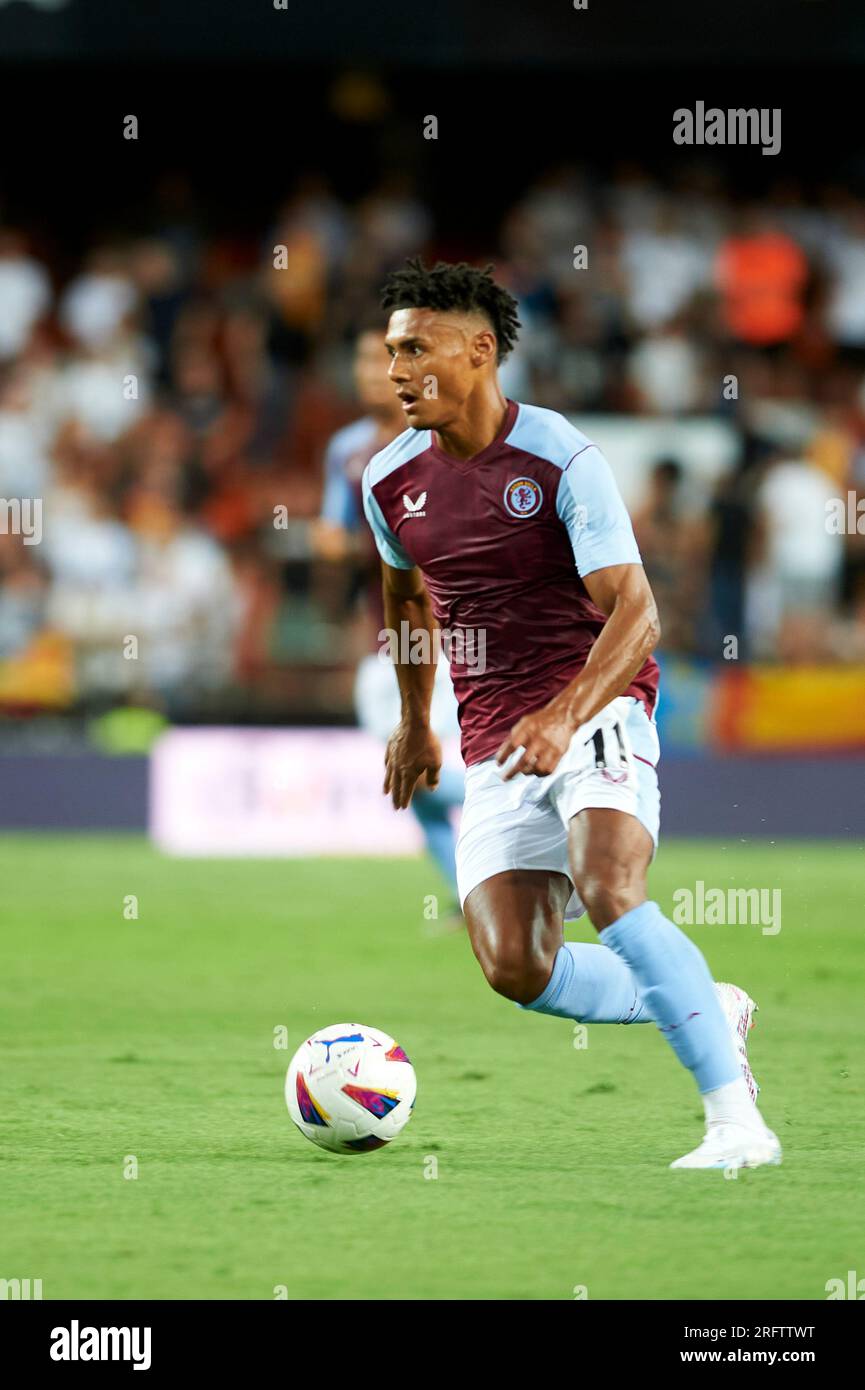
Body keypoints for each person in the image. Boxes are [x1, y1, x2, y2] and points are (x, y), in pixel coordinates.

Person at [362, 258, 780, 1170]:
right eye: (391, 351)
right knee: (516, 966)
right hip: (495, 738)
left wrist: (563, 714)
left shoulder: (558, 458)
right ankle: (711, 998)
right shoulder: (389, 480)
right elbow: (403, 602)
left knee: (608, 885)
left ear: (479, 350)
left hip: (597, 703)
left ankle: (735, 1125)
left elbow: (637, 614)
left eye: (414, 349)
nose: (395, 370)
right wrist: (413, 721)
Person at [313, 325, 464, 915]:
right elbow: (334, 529)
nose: (368, 372)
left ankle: (534, 802)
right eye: (359, 360)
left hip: (450, 635)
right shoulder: (347, 450)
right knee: (412, 783)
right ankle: (467, 893)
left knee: (433, 766)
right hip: (385, 638)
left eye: (383, 359)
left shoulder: (437, 440)